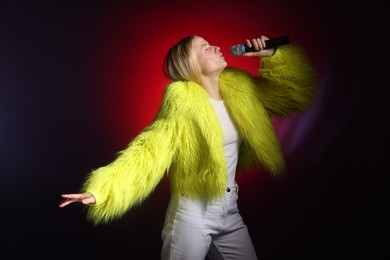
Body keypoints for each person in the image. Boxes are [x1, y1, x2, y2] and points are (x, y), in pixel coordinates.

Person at [59, 34, 316, 259]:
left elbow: (292, 95)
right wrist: (103, 190)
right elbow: (149, 150)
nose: (215, 47)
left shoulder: (242, 89)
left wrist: (271, 54)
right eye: (205, 47)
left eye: (211, 43)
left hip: (229, 208)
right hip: (191, 214)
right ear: (190, 65)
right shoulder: (181, 104)